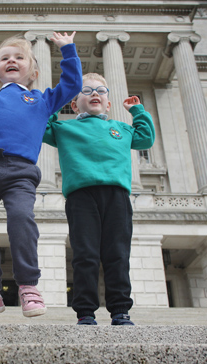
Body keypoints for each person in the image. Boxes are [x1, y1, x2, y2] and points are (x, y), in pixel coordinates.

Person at [0, 32, 82, 321]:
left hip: (20, 172)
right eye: (4, 58)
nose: (11, 60)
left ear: (32, 72)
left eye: (19, 57)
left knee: (22, 219)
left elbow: (72, 85)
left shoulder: (42, 100)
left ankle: (28, 285)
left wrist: (67, 49)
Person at [43, 73, 155, 325]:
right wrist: (55, 101)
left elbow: (146, 138)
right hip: (81, 197)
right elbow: (40, 126)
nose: (95, 94)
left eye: (101, 91)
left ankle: (120, 310)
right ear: (73, 105)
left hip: (117, 196)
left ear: (108, 103)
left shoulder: (122, 129)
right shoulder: (64, 128)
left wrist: (137, 110)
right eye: (86, 90)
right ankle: (85, 312)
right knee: (85, 254)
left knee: (117, 253)